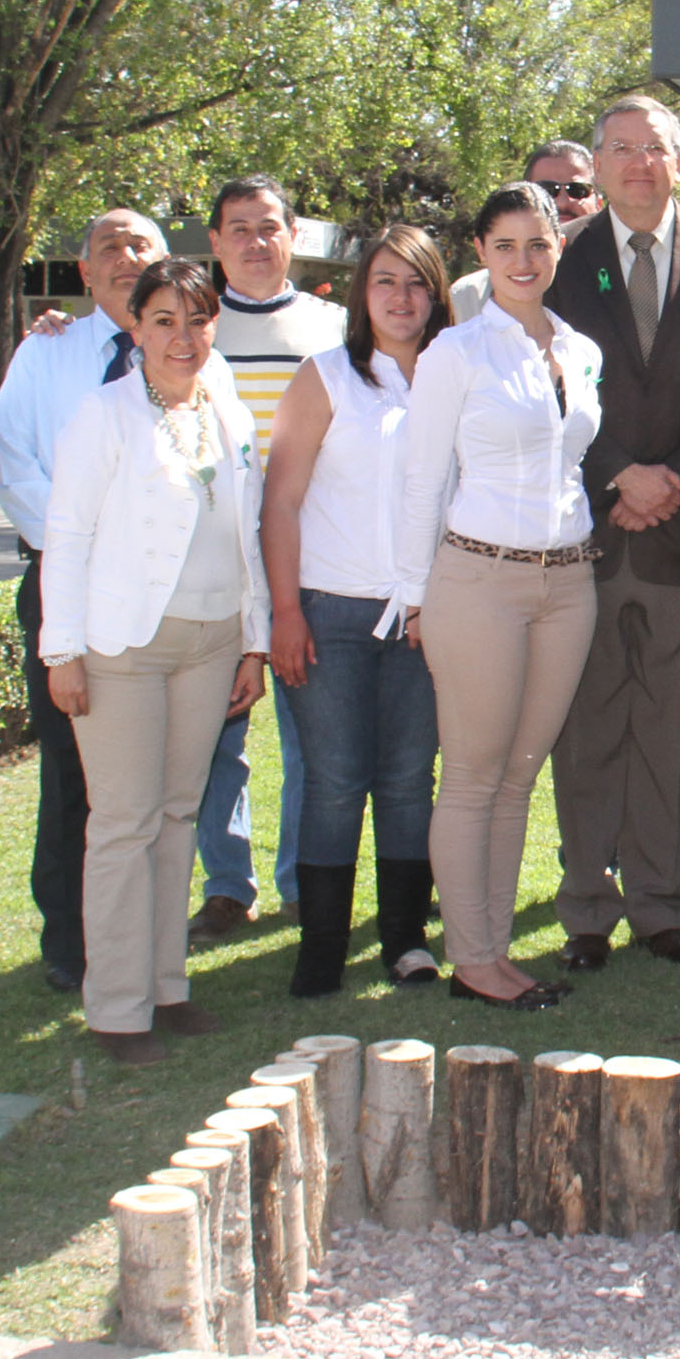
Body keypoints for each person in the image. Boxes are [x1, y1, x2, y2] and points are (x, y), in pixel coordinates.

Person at [542, 95, 680, 970]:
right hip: (589, 533)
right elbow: (549, 389)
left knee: (666, 730)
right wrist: (615, 477)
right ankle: (588, 912)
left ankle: (660, 908)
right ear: (596, 164)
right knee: (587, 727)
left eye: (657, 148)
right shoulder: (559, 257)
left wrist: (668, 471)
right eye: (621, 148)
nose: (639, 163)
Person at [36, 259, 269, 1066]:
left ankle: (168, 989)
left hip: (210, 643)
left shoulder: (227, 409)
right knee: (125, 824)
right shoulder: (102, 416)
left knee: (177, 817)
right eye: (164, 319)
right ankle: (117, 1006)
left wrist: (253, 638)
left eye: (198, 319)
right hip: (124, 648)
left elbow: (249, 535)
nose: (183, 336)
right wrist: (62, 651)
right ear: (134, 328)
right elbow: (64, 537)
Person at [394, 183, 604, 1010]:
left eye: (538, 243)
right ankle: (472, 957)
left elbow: (574, 463)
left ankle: (496, 950)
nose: (524, 260)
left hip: (568, 581)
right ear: (479, 252)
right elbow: (422, 479)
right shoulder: (458, 353)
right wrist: (414, 598)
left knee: (520, 774)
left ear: (558, 249)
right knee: (474, 776)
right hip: (476, 580)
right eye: (505, 244)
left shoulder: (582, 350)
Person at [265, 225, 454, 999]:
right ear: (360, 294)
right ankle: (322, 945)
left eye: (415, 283)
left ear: (436, 294)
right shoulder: (326, 377)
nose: (400, 299)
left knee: (410, 780)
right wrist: (284, 611)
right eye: (384, 282)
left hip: (427, 617)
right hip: (331, 613)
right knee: (336, 780)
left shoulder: (455, 376)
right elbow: (280, 499)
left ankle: (406, 940)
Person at [0, 207, 169, 994]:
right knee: (72, 770)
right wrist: (84, 558)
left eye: (142, 245)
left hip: (164, 595)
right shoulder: (46, 353)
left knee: (159, 775)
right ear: (85, 273)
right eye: (109, 247)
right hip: (68, 589)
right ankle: (71, 937)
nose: (126, 257)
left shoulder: (188, 345)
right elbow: (17, 464)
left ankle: (151, 933)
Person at [188, 176, 352, 945]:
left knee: (308, 733)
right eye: (239, 229)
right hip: (214, 559)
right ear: (215, 243)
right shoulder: (193, 326)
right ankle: (228, 883)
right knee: (217, 734)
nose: (256, 242)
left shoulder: (334, 326)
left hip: (308, 557)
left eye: (270, 227)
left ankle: (298, 882)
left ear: (294, 236)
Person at [454, 141, 603, 320]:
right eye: (546, 190)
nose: (562, 202)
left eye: (578, 190)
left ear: (599, 203)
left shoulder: (624, 281)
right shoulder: (468, 297)